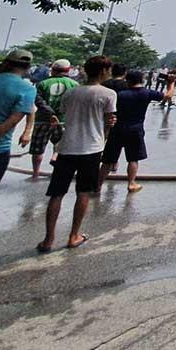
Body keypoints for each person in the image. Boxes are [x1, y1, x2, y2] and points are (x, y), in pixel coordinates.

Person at [37, 55, 117, 252]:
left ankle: (48, 239)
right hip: (91, 149)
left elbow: (65, 113)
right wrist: (107, 129)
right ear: (102, 72)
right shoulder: (108, 94)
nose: (109, 73)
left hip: (67, 147)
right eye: (108, 70)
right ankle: (74, 235)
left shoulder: (71, 93)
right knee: (83, 192)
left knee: (56, 194)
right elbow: (108, 121)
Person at [98, 70, 160, 194]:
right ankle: (131, 183)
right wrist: (171, 84)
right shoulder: (146, 93)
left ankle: (97, 185)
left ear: (127, 81)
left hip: (117, 129)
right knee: (133, 159)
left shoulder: (120, 95)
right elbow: (167, 96)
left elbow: (109, 111)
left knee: (108, 160)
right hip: (135, 130)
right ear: (142, 80)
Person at [20, 59, 77, 178]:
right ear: (68, 70)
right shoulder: (74, 85)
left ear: (52, 70)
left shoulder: (43, 84)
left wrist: (50, 113)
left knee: (38, 149)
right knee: (61, 145)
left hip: (43, 119)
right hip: (63, 120)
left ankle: (35, 173)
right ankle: (55, 161)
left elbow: (38, 101)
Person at [0, 50, 37, 197]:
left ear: (6, 63)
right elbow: (13, 120)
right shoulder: (27, 89)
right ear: (28, 67)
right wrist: (27, 131)